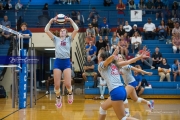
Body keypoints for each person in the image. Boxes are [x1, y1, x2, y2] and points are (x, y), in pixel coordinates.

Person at [98, 47, 150, 120]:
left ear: (100, 58)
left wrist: (114, 54)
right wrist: (139, 57)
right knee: (103, 108)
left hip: (116, 91)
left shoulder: (101, 64)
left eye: (99, 55)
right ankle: (127, 110)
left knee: (123, 118)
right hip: (122, 90)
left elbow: (107, 61)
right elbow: (128, 62)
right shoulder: (115, 64)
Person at [44, 16, 79, 108]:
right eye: (61, 31)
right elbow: (46, 30)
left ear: (66, 33)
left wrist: (70, 20)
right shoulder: (56, 39)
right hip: (58, 62)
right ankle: (58, 97)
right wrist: (51, 21)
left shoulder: (69, 39)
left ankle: (70, 93)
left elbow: (76, 29)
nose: (62, 31)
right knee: (56, 85)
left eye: (64, 31)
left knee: (67, 84)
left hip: (66, 61)